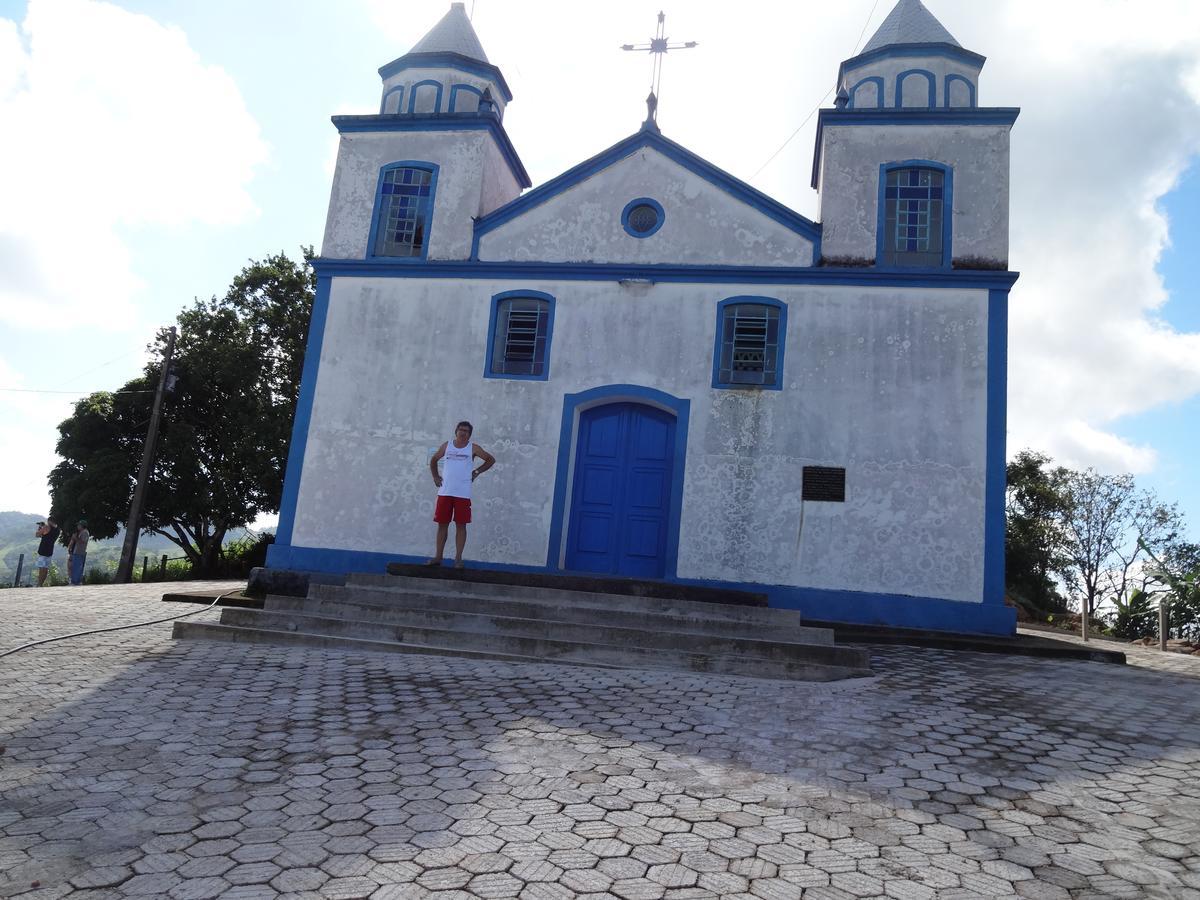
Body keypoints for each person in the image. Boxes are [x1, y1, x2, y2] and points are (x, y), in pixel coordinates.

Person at [427, 420, 495, 569]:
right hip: (445, 492)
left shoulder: (473, 448)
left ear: (470, 434)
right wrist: (435, 477)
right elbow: (433, 460)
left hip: (463, 494)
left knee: (461, 525)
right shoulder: (447, 445)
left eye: (466, 431)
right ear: (456, 431)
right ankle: (438, 557)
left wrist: (476, 472)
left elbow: (490, 460)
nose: (463, 433)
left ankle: (458, 559)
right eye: (461, 430)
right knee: (442, 525)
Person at [34, 517, 60, 586]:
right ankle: (41, 584)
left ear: (49, 521)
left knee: (41, 568)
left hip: (42, 551)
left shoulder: (46, 527)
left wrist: (40, 527)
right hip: (50, 550)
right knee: (45, 569)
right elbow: (47, 536)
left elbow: (37, 535)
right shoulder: (58, 530)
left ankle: (39, 584)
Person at [68, 519, 90, 585]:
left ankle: (75, 581)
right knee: (76, 567)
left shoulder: (85, 532)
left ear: (82, 526)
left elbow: (83, 541)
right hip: (77, 552)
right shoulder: (82, 532)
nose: (78, 526)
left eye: (79, 525)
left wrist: (75, 538)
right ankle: (77, 581)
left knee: (76, 567)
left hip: (79, 552)